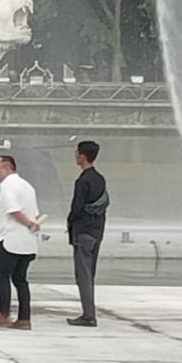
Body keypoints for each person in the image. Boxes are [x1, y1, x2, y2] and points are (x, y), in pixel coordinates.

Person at [0, 153, 41, 330]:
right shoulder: (28, 186)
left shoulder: (8, 185)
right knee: (21, 280)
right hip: (28, 243)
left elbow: (14, 211)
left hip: (11, 239)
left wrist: (29, 223)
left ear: (8, 168)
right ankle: (24, 318)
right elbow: (36, 213)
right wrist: (33, 224)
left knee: (2, 277)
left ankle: (3, 314)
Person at [66, 139, 109, 327]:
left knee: (82, 275)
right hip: (97, 232)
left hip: (83, 233)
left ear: (82, 156)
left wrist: (70, 221)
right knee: (90, 273)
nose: (75, 155)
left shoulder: (83, 181)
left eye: (77, 153)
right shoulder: (100, 179)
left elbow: (77, 208)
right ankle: (88, 312)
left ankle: (88, 315)